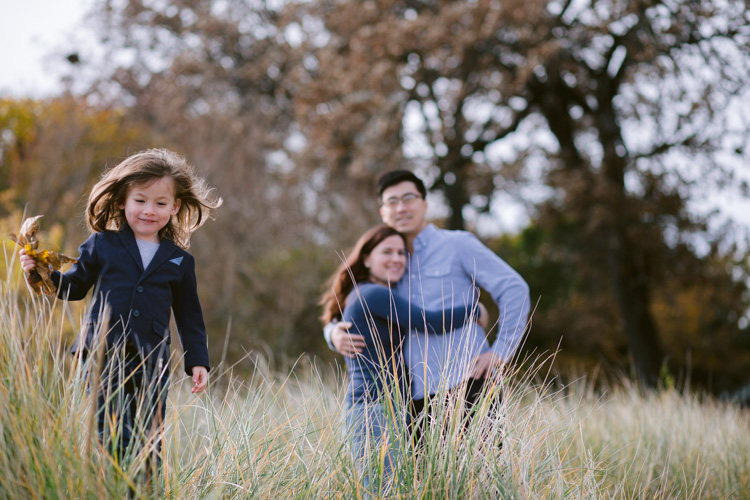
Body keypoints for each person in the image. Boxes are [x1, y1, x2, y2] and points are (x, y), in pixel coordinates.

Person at [18, 148, 222, 489]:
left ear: (174, 207)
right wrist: (40, 273)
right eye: (140, 200)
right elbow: (73, 288)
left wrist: (197, 361)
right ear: (124, 200)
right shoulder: (102, 245)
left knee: (148, 438)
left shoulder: (180, 261)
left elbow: (190, 316)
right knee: (109, 433)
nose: (149, 211)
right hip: (101, 356)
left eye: (160, 203)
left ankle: (142, 493)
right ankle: (107, 489)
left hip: (151, 361)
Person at [326, 170, 530, 435]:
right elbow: (351, 306)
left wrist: (501, 350)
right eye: (392, 201)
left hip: (467, 384)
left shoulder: (457, 244)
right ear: (382, 212)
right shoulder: (390, 263)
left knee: (480, 475)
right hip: (414, 400)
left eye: (409, 198)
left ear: (424, 204)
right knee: (426, 478)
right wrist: (332, 334)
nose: (401, 207)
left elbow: (514, 287)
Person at [320, 224, 487, 493]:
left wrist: (330, 333)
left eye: (401, 252)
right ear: (366, 258)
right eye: (387, 251)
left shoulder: (369, 293)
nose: (396, 259)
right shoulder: (374, 293)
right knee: (382, 492)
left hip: (386, 410)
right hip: (373, 411)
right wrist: (474, 308)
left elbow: (335, 323)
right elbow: (429, 321)